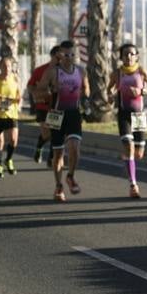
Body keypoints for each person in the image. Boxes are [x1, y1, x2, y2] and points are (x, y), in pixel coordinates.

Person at [108, 43, 147, 199]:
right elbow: (110, 88)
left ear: (137, 56)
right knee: (129, 147)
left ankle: (128, 161)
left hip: (139, 116)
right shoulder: (117, 73)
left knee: (139, 154)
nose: (128, 57)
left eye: (132, 54)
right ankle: (133, 184)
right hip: (124, 114)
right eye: (125, 54)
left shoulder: (141, 71)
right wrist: (110, 94)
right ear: (121, 57)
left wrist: (142, 91)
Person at [45, 42, 88, 202]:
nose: (69, 58)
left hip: (74, 114)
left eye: (72, 54)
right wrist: (49, 91)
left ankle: (70, 176)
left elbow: (86, 89)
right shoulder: (52, 72)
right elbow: (39, 89)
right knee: (58, 153)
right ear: (59, 56)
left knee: (75, 148)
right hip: (56, 114)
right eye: (65, 55)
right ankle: (58, 186)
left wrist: (86, 100)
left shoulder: (81, 71)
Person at [28, 44, 66, 165]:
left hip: (57, 106)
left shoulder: (65, 70)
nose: (63, 57)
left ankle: (51, 159)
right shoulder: (40, 70)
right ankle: (39, 147)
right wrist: (37, 94)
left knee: (55, 132)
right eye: (61, 54)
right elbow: (30, 86)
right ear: (54, 55)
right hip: (42, 106)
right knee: (47, 133)